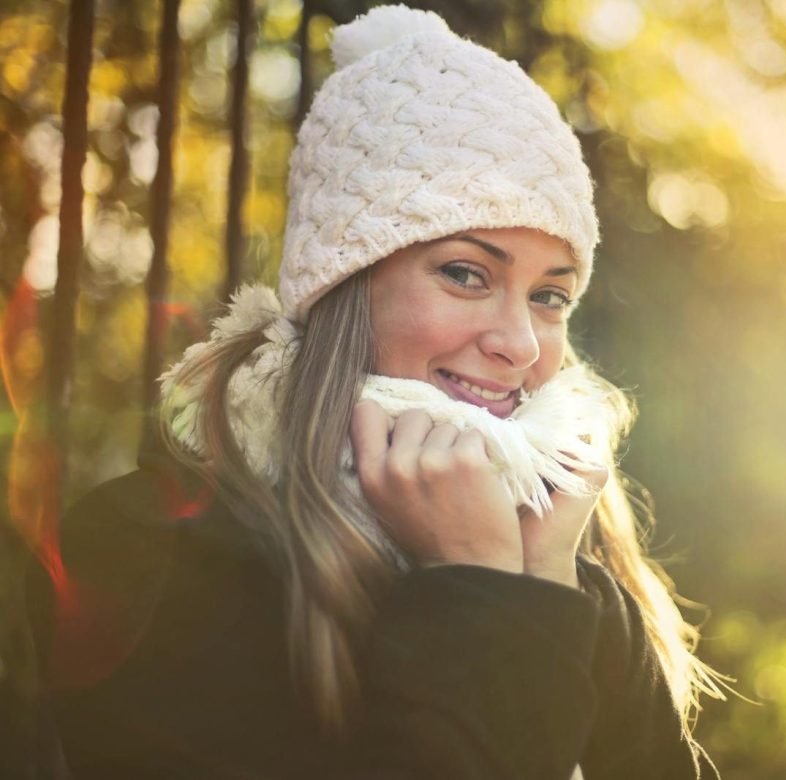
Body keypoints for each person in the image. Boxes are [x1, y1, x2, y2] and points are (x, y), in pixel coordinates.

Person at [27, 5, 721, 778]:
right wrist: (480, 592)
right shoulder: (155, 558)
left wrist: (542, 580)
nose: (520, 343)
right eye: (466, 273)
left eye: (549, 297)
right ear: (343, 287)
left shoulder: (571, 563)